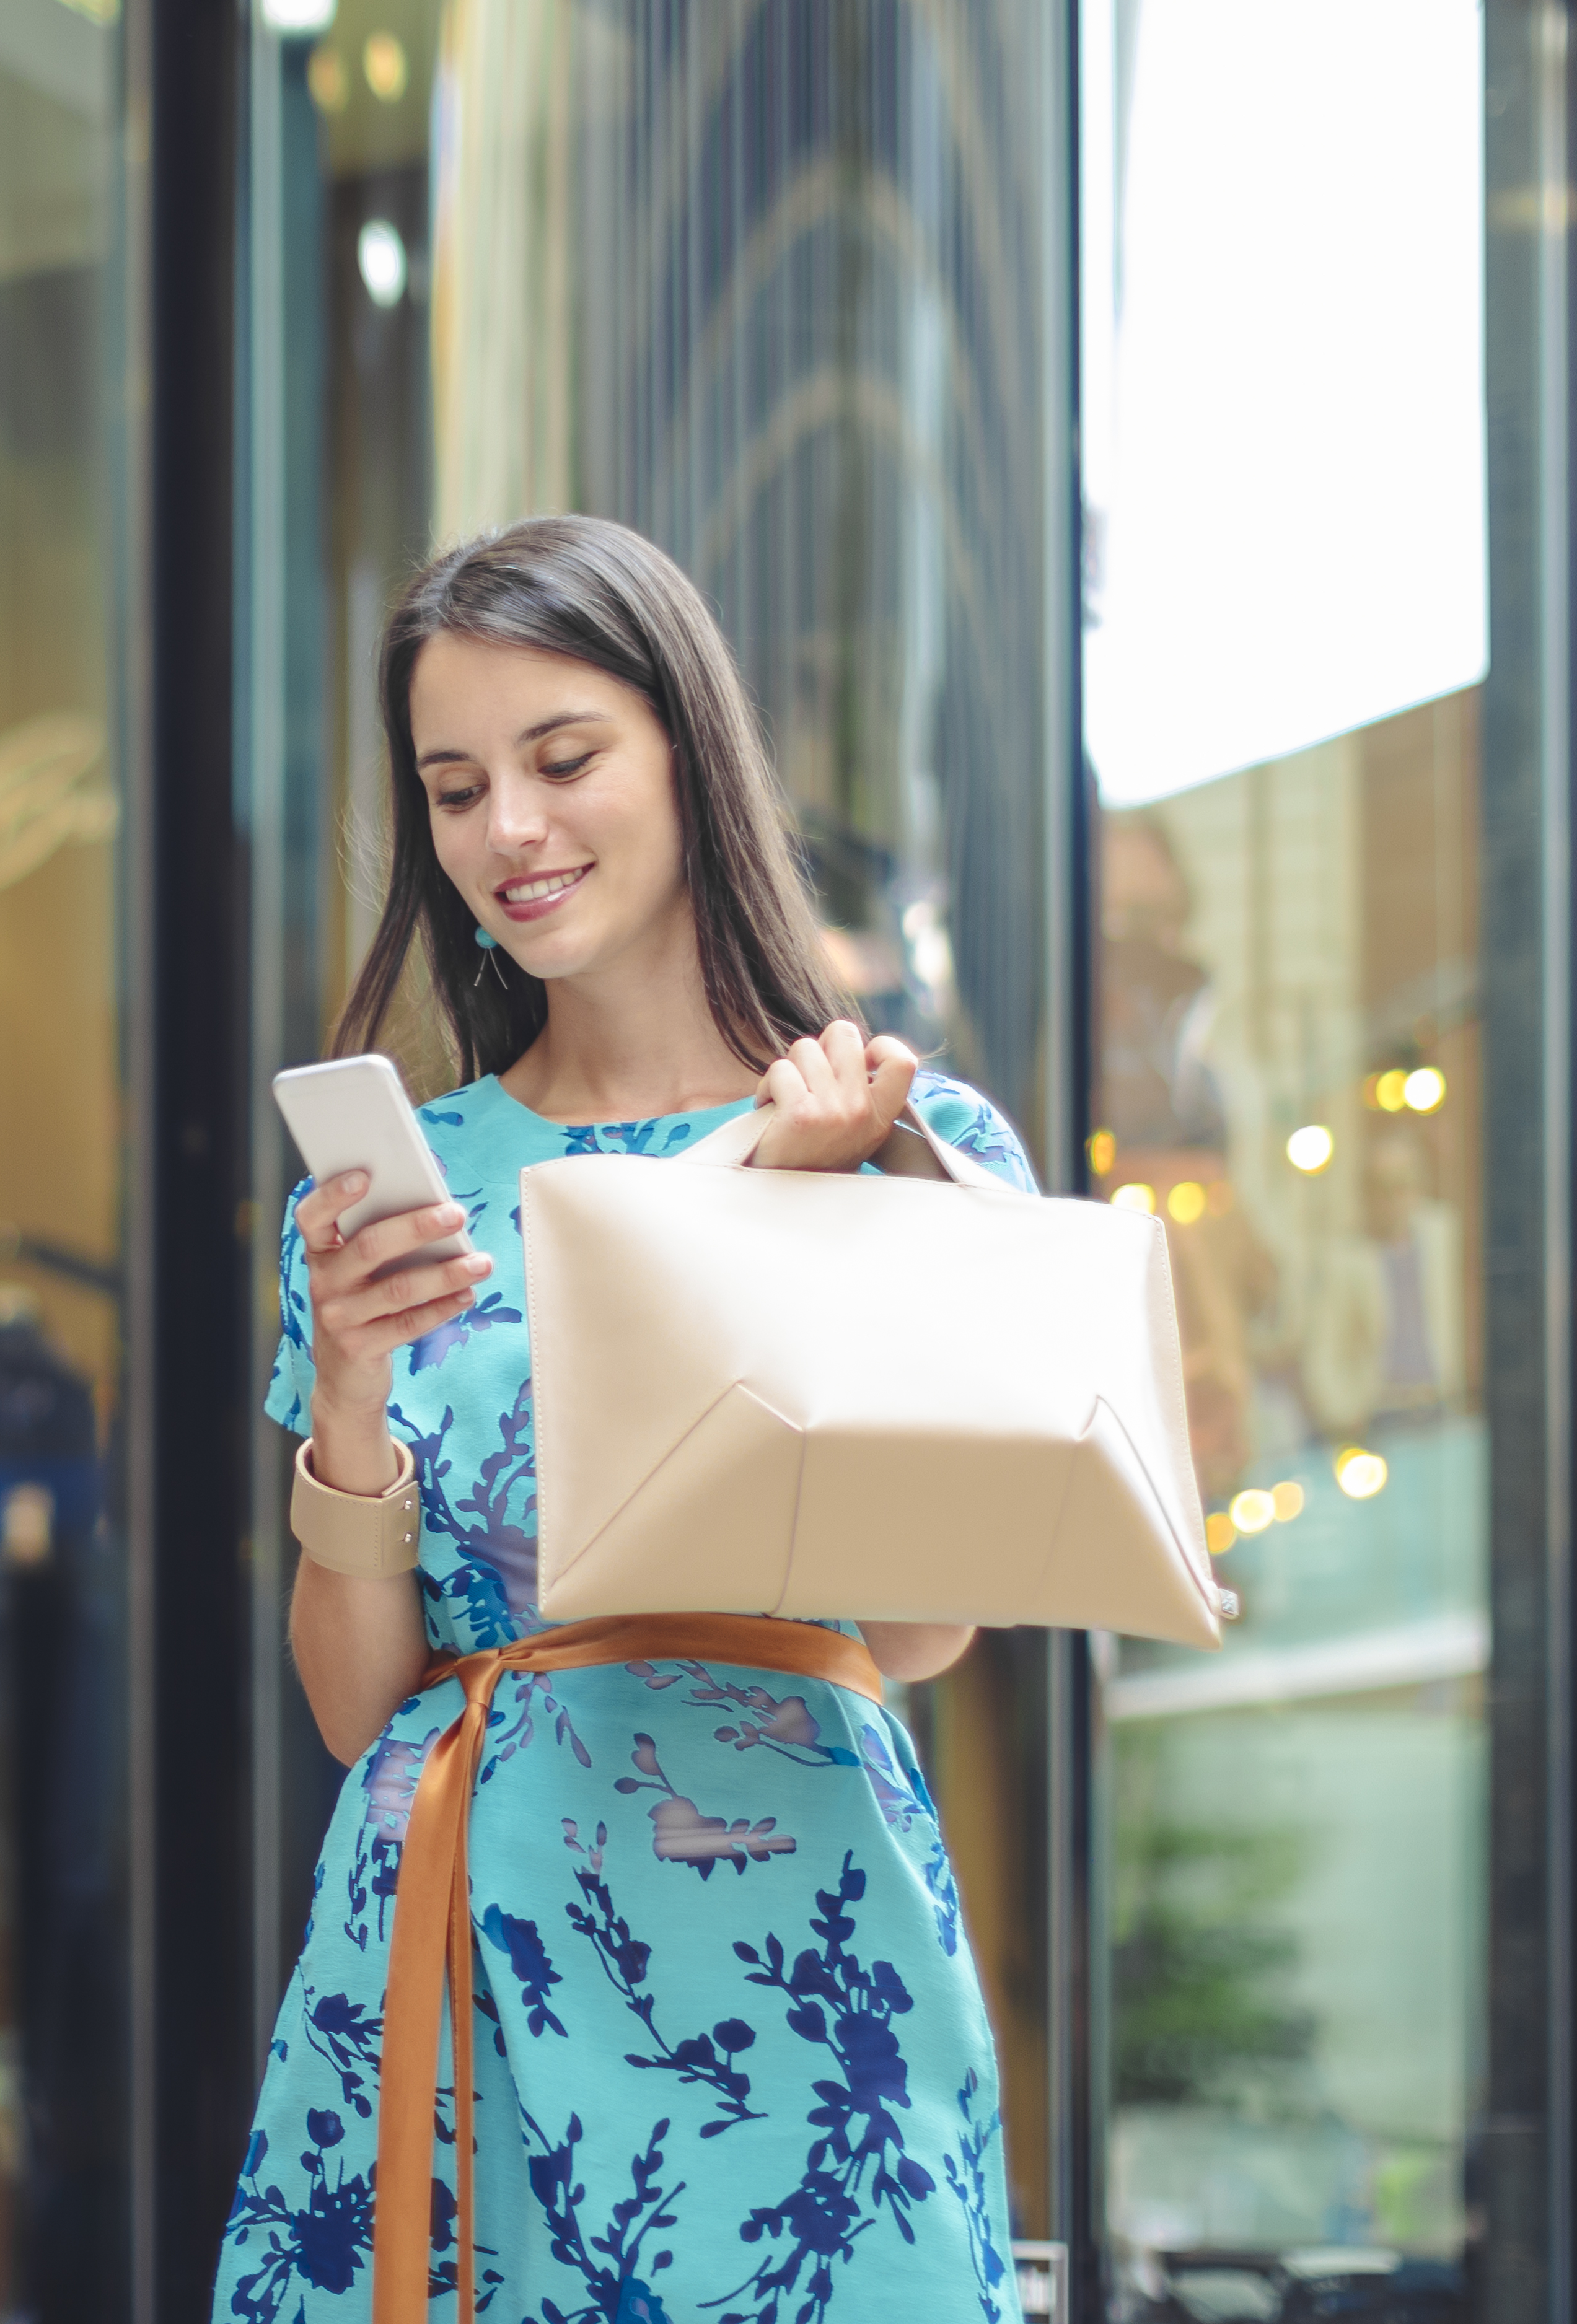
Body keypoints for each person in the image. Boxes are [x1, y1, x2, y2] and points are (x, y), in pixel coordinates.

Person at [216, 517, 1032, 2324]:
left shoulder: (914, 1139)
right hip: (456, 1937)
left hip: (793, 1960)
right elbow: (361, 1707)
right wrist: (349, 1392)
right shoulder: (400, 1191)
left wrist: (797, 1226)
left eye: (563, 758)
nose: (509, 830)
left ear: (687, 747)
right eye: (453, 786)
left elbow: (922, 1626)